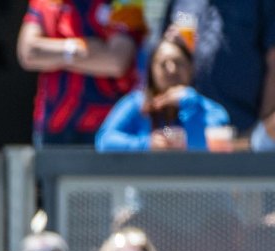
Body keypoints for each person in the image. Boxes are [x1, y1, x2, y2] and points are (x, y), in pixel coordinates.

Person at [17, 0, 145, 146]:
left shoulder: (124, 2)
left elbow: (116, 62)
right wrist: (80, 50)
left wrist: (52, 54)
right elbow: (28, 54)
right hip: (53, 123)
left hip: (107, 126)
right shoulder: (45, 2)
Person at [161, 0, 275, 149]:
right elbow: (160, 58)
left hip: (242, 137)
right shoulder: (182, 3)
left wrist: (259, 134)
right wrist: (172, 45)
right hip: (186, 141)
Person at [96, 27, 230, 151]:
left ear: (191, 69)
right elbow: (104, 141)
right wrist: (147, 144)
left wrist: (188, 101)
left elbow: (209, 145)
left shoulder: (210, 110)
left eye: (178, 62)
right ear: (151, 71)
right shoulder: (136, 104)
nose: (172, 70)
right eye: (163, 64)